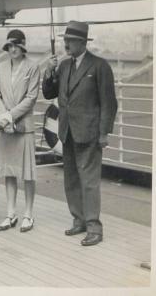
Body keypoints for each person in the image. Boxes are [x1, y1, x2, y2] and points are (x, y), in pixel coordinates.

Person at [42, 20, 117, 246]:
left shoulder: (99, 66)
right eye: (65, 40)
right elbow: (48, 94)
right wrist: (48, 72)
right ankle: (79, 220)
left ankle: (94, 227)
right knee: (71, 179)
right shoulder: (64, 65)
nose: (66, 45)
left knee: (89, 181)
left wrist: (104, 133)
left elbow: (109, 103)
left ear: (83, 42)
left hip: (89, 133)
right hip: (67, 132)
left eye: (71, 41)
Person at [0, 30, 40, 233]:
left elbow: (31, 97)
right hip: (4, 126)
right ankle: (11, 214)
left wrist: (10, 116)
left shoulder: (33, 67)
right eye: (9, 46)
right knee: (8, 172)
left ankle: (28, 214)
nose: (12, 50)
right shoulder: (1, 67)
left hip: (23, 126)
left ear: (22, 47)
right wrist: (3, 118)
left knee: (27, 174)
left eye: (16, 46)